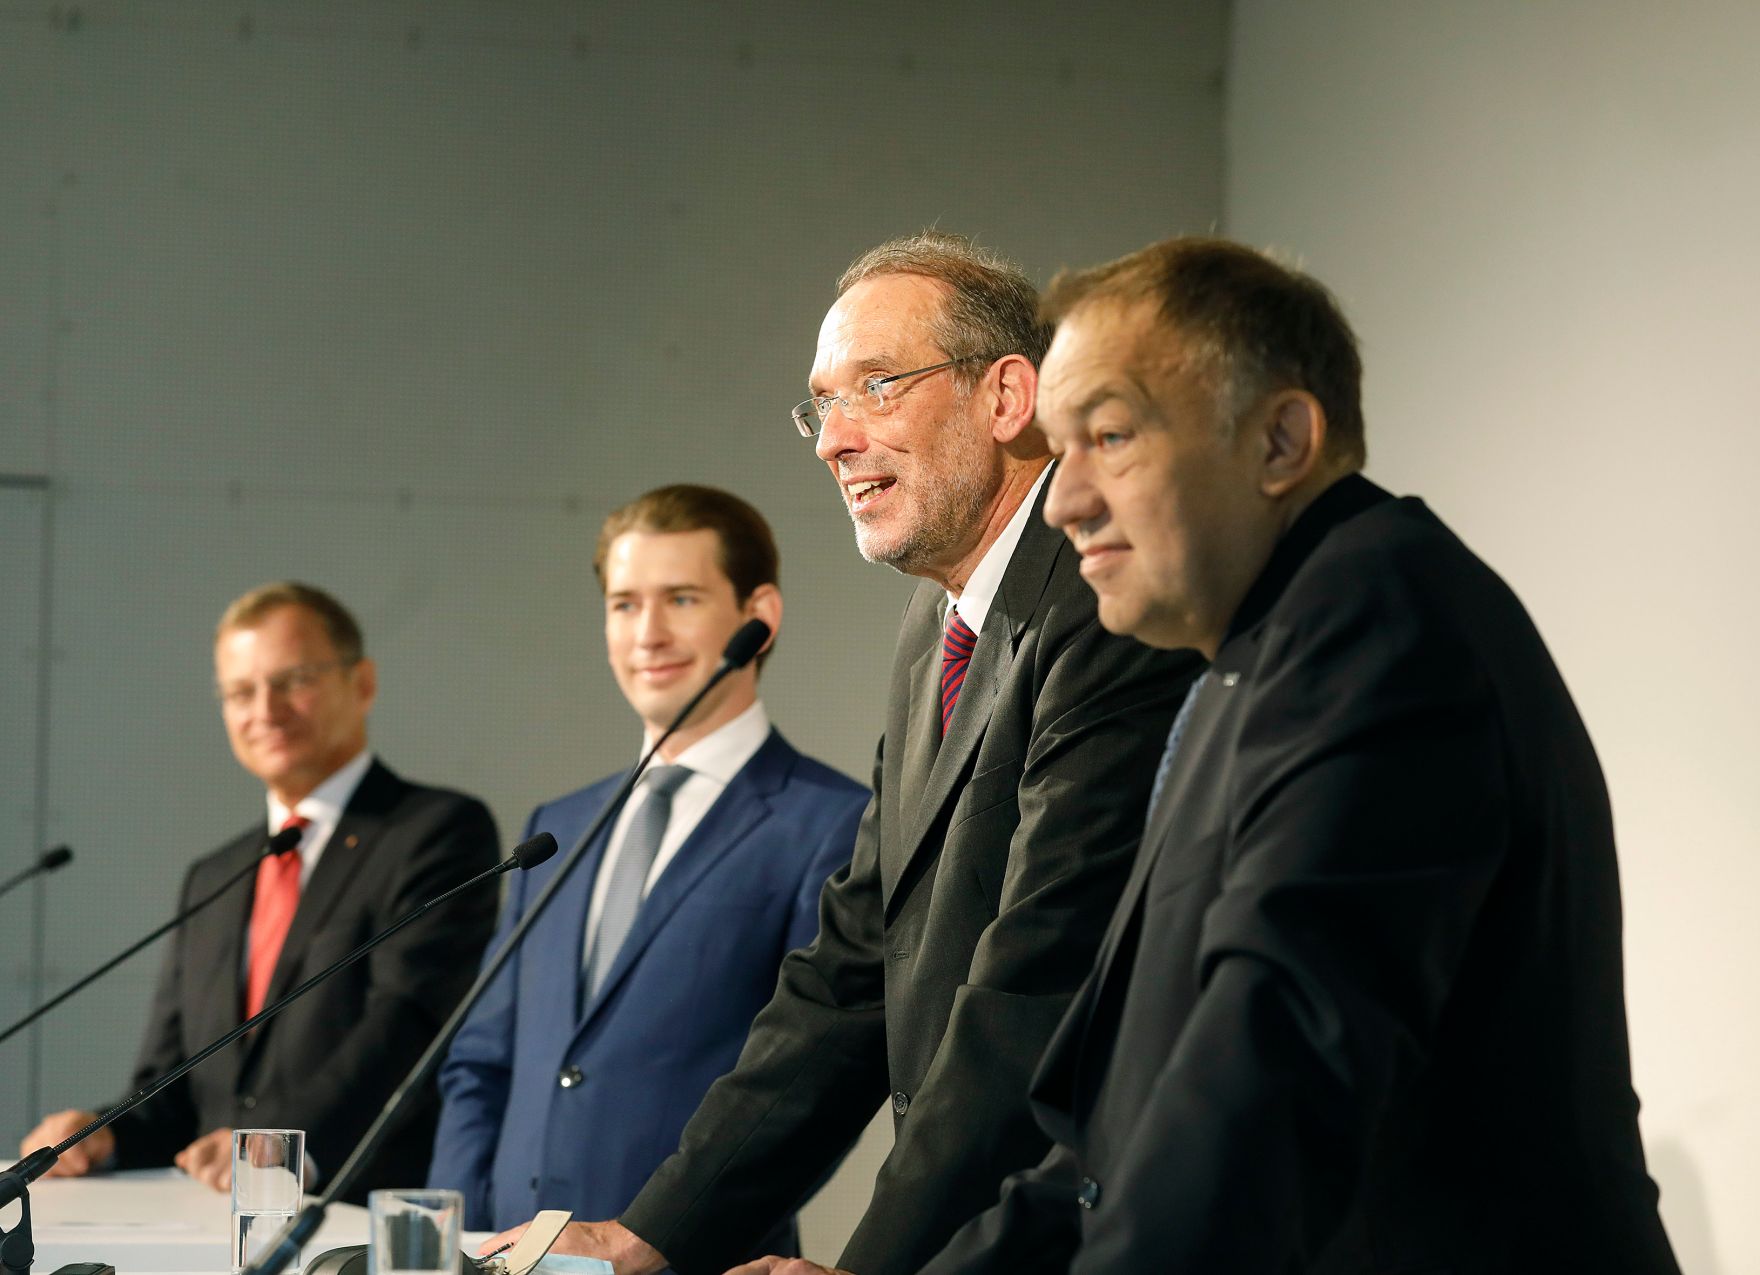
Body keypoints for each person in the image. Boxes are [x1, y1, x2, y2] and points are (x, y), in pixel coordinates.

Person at [884, 237, 1680, 1273]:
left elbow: (1264, 1089)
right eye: (1058, 446)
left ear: (1279, 441)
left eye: (1110, 436)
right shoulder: (1251, 657)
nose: (1066, 499)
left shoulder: (1382, 629)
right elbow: (1104, 1154)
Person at [487, 233, 1202, 1275]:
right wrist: (655, 1234)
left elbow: (1030, 994)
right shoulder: (933, 629)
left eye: (874, 386)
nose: (832, 440)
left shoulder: (1101, 606)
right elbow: (854, 967)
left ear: (1007, 398)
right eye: (823, 404)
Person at [427, 485, 867, 1257]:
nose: (649, 633)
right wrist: (453, 1239)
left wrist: (653, 1238)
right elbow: (482, 1060)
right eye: (625, 603)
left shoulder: (834, 823)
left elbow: (812, 1087)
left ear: (759, 614)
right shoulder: (554, 828)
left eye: (683, 598)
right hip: (500, 1258)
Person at [20, 582, 500, 1200]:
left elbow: (408, 1027)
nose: (265, 710)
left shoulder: (434, 832)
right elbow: (174, 1086)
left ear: (362, 683)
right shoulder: (216, 875)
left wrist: (276, 1141)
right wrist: (103, 1132)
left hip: (358, 1215)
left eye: (292, 679)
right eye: (240, 692)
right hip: (214, 1221)